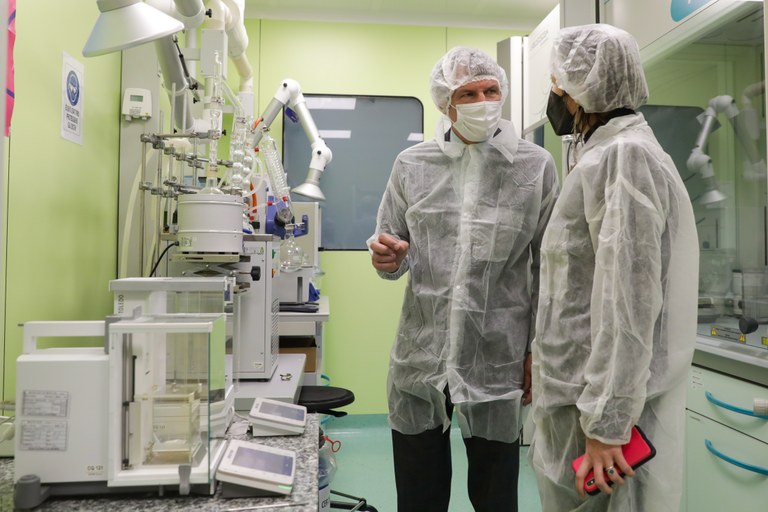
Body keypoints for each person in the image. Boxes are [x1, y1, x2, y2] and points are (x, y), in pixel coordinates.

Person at [368, 46, 559, 512]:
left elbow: (552, 268)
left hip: (498, 357)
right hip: (421, 356)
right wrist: (387, 260)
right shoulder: (412, 165)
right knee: (419, 496)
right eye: (468, 94)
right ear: (445, 103)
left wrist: (536, 350)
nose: (482, 102)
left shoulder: (535, 166)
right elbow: (391, 247)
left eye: (490, 90)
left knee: (496, 498)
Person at [529, 24, 699, 512]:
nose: (554, 96)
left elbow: (626, 298)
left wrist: (606, 423)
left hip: (605, 421)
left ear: (582, 89)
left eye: (557, 83)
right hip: (579, 399)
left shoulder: (625, 157)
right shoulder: (601, 154)